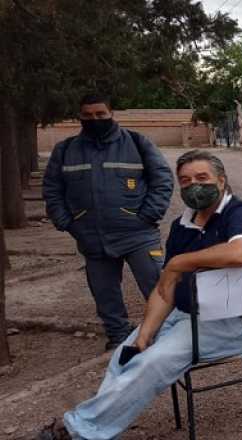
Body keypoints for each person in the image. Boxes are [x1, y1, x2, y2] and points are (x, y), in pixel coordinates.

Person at [38, 150, 242, 440]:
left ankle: (75, 431)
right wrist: (145, 334)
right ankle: (95, 427)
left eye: (202, 178)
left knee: (153, 361)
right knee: (126, 355)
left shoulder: (240, 213)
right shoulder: (182, 225)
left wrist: (179, 262)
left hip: (239, 322)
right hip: (188, 313)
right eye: (185, 181)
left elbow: (241, 253)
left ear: (221, 181)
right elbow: (166, 290)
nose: (194, 186)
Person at [42, 93, 174, 351]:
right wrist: (67, 222)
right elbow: (52, 190)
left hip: (138, 235)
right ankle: (118, 336)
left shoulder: (137, 143)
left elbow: (162, 180)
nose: (95, 119)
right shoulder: (66, 150)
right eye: (88, 115)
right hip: (92, 237)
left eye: (100, 114)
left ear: (111, 114)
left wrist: (147, 216)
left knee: (158, 286)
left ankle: (169, 333)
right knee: (104, 293)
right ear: (80, 116)